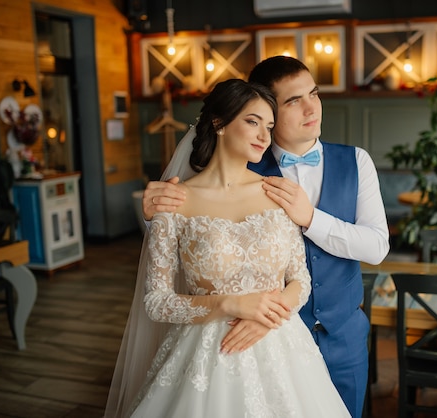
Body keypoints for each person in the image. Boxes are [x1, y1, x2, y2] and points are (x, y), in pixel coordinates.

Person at [141, 57, 390, 418]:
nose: (311, 108)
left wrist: (311, 219)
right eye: (293, 101)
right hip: (240, 343)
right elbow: (192, 236)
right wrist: (152, 214)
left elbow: (376, 248)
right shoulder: (243, 164)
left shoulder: (357, 161)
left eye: (314, 94)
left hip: (338, 337)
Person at [105, 79, 350, 417]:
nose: (264, 136)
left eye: (269, 126)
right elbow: (156, 302)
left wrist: (266, 317)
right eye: (253, 122)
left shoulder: (279, 194)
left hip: (282, 347)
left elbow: (300, 281)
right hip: (205, 356)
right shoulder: (174, 202)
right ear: (219, 123)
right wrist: (229, 304)